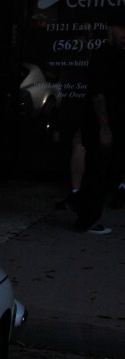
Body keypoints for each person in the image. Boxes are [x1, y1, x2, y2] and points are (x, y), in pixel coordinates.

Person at [74, 17, 125, 234]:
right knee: (96, 171)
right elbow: (98, 94)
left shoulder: (117, 55)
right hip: (99, 126)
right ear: (111, 29)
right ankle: (87, 219)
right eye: (122, 29)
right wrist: (104, 128)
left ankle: (87, 213)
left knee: (103, 171)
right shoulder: (103, 55)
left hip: (111, 125)